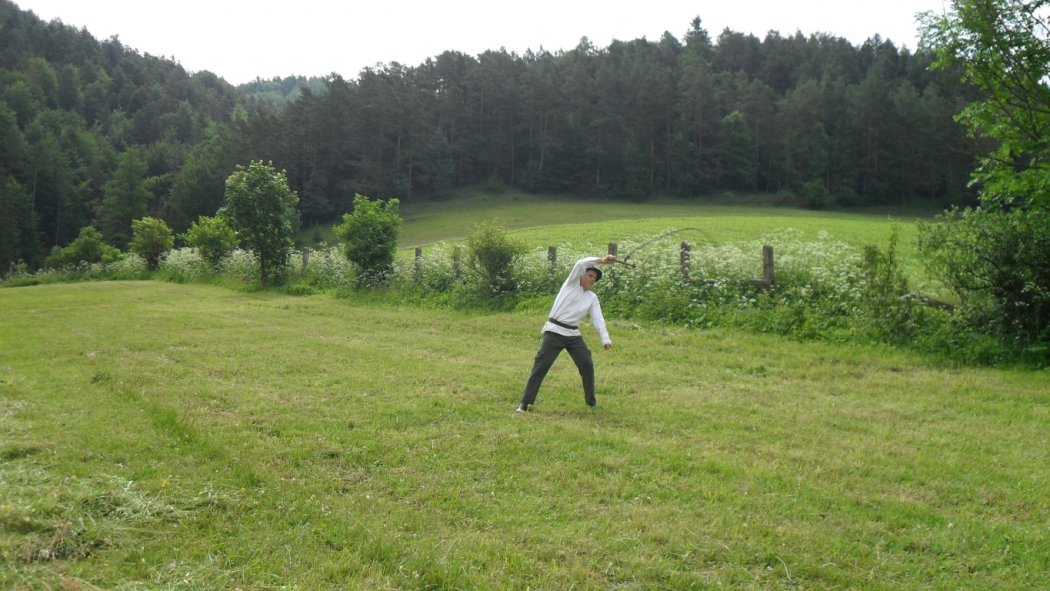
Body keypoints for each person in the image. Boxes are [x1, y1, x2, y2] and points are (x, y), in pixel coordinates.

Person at [516, 254, 619, 413]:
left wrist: (605, 338)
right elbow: (580, 263)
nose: (593, 279)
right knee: (541, 366)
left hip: (573, 335)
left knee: (587, 364)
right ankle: (524, 403)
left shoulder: (592, 298)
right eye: (590, 275)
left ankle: (591, 402)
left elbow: (598, 318)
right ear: (582, 275)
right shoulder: (571, 284)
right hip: (554, 332)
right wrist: (601, 261)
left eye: (595, 278)